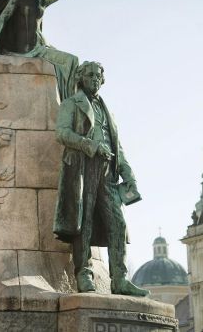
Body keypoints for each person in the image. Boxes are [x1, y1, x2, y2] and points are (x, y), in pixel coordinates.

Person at [53, 61, 149, 296]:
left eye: (98, 75)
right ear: (81, 77)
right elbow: (62, 133)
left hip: (108, 172)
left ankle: (120, 279)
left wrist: (129, 175)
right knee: (83, 223)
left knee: (118, 223)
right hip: (83, 167)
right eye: (90, 74)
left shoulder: (108, 111)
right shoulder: (71, 103)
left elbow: (119, 147)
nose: (95, 78)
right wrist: (91, 146)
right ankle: (84, 274)